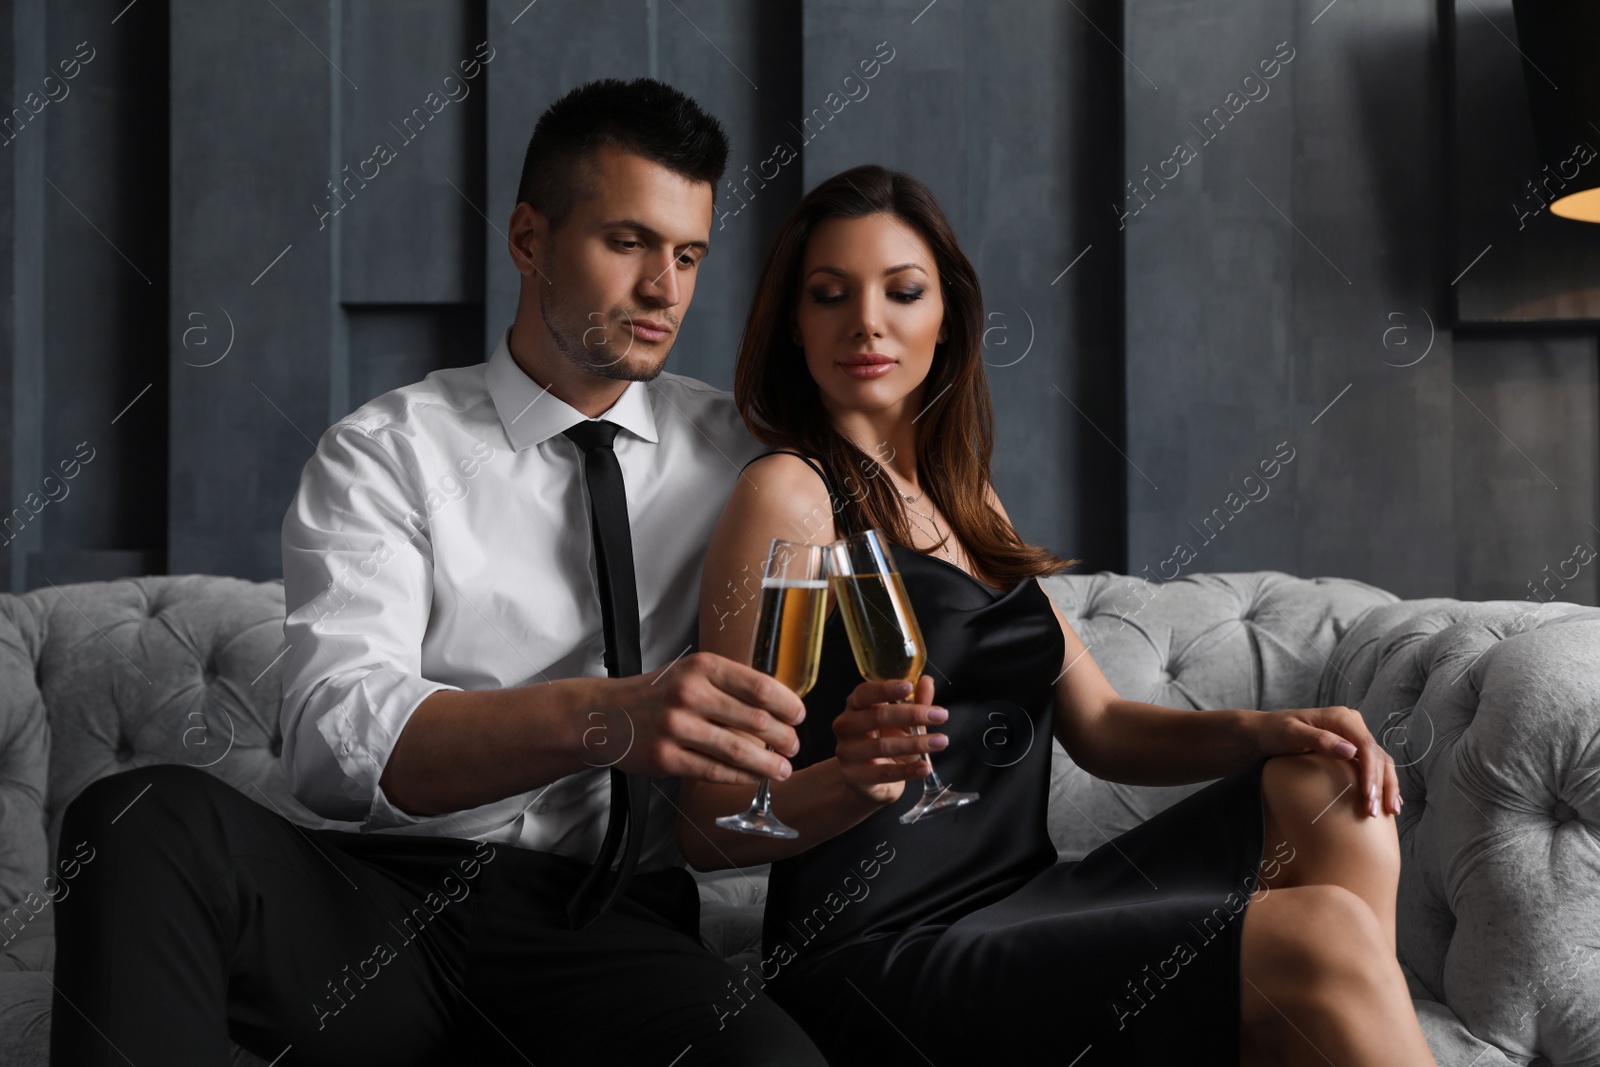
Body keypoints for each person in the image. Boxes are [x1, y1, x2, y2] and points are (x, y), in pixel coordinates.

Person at [49, 78, 828, 1067]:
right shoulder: (388, 450)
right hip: (386, 911)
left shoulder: (750, 459)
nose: (663, 289)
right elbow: (336, 744)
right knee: (138, 814)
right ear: (528, 239)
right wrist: (609, 716)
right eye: (627, 241)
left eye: (687, 254)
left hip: (612, 929)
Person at [677, 165, 1439, 1066]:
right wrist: (850, 779)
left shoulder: (965, 500)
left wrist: (1275, 729)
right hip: (882, 952)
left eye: (903, 291)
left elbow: (1105, 726)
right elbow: (711, 818)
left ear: (948, 319)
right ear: (794, 328)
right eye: (829, 295)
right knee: (1314, 932)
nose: (867, 322)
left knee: (1327, 789)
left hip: (1026, 895)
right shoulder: (788, 494)